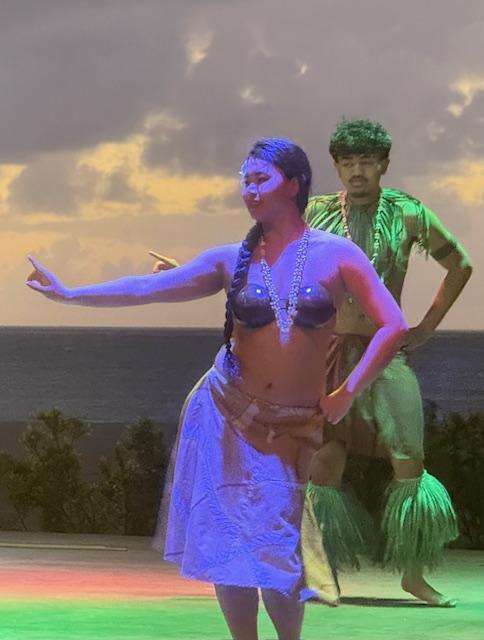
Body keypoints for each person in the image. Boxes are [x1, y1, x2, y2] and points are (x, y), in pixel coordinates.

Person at [26, 138, 407, 640]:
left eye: (261, 179)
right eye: (245, 181)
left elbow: (393, 325)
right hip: (226, 414)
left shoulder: (337, 255)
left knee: (278, 546)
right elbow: (149, 288)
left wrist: (348, 392)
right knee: (229, 546)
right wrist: (71, 294)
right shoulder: (232, 259)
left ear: (294, 184)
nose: (250, 190)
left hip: (292, 426)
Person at [303, 119, 472, 608]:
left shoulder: (408, 213)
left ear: (383, 165)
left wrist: (428, 326)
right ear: (337, 166)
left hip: (385, 352)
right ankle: (322, 574)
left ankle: (413, 576)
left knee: (408, 460)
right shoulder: (314, 214)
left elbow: (460, 265)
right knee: (323, 461)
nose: (357, 171)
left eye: (367, 162)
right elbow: (264, 259)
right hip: (328, 353)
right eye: (348, 163)